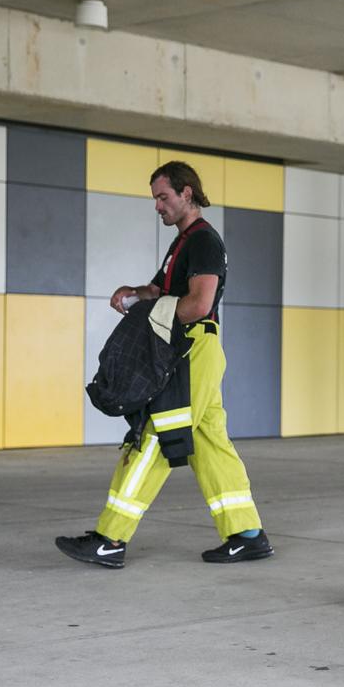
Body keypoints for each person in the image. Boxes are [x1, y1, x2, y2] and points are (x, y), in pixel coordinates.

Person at [55, 161, 273, 568]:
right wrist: (134, 294)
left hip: (191, 351)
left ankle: (110, 538)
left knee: (153, 437)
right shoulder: (183, 243)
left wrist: (153, 310)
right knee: (210, 444)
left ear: (187, 193)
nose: (158, 206)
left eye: (163, 197)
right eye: (155, 198)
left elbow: (199, 305)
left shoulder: (204, 242)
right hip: (189, 351)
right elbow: (159, 290)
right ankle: (247, 534)